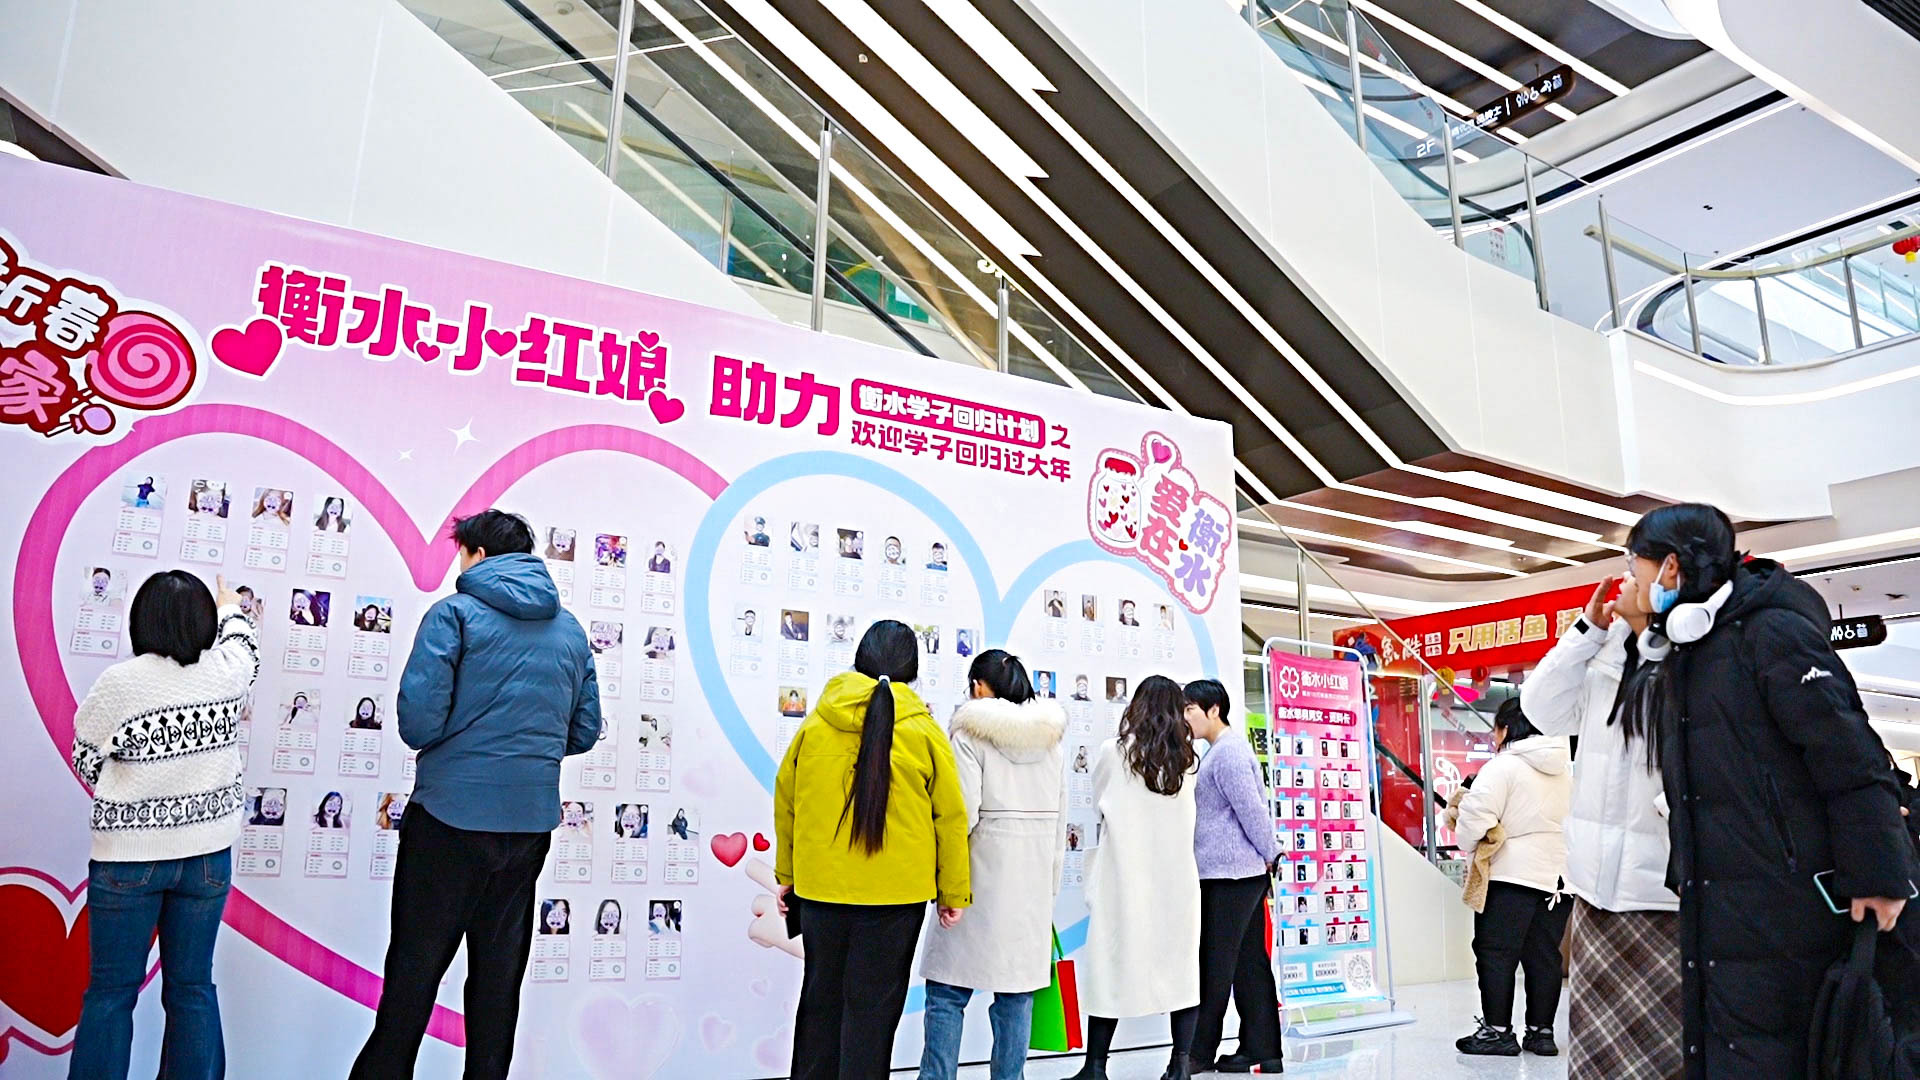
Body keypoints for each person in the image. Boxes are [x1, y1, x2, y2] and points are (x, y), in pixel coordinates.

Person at [1627, 503, 1914, 1078]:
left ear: (1672, 567)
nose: (1632, 582)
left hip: (1789, 896)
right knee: (1733, 1044)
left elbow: (1850, 758)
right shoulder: (1693, 651)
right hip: (1723, 894)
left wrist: (1879, 876)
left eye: (1637, 568)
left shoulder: (1772, 635)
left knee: (1785, 1046)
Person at [351, 509, 601, 1080]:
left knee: (414, 975)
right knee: (498, 982)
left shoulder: (454, 615)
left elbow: (418, 724)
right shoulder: (569, 631)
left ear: (478, 555)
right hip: (528, 827)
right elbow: (584, 731)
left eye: (461, 555)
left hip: (449, 820)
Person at [68, 571, 258, 1080]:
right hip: (207, 858)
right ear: (205, 623)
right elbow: (245, 645)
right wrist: (229, 605)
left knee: (111, 994)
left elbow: (84, 755)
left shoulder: (121, 683)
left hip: (129, 859)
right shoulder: (225, 672)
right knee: (192, 988)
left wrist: (132, 794)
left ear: (142, 620)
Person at [774, 619, 970, 1080]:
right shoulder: (924, 731)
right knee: (873, 1019)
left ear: (858, 660)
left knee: (819, 1007)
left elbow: (788, 801)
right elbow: (950, 817)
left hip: (820, 891)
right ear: (912, 670)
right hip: (895, 899)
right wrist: (953, 892)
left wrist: (788, 876)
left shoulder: (816, 724)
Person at [1521, 568, 1683, 1077]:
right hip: (1595, 890)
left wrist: (1674, 816)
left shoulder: (1692, 664)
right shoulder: (1604, 656)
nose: (1622, 583)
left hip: (1661, 892)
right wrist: (1584, 633)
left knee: (1663, 1055)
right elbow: (1540, 708)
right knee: (1597, 1058)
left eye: (1636, 572)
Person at [919, 649, 1068, 1080]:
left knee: (947, 993)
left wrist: (945, 885)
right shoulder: (1052, 745)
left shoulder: (970, 736)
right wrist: (1048, 892)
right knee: (1017, 996)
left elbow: (961, 816)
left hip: (977, 884)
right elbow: (1059, 829)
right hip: (1030, 890)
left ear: (979, 688)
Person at [1072, 675, 1202, 1080]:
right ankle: (1180, 1065)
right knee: (1181, 973)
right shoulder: (1187, 762)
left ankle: (1095, 1066)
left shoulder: (1114, 753)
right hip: (1177, 881)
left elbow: (1099, 804)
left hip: (1124, 878)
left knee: (1108, 968)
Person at [1449, 698, 1572, 1057]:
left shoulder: (1503, 766)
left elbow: (1475, 817)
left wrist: (1465, 838)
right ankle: (1541, 1033)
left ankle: (1498, 1032)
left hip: (1511, 876)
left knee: (1496, 953)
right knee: (1544, 956)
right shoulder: (1566, 770)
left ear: (1506, 728)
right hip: (1559, 878)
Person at [1182, 679, 1284, 1074]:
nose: (1185, 717)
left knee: (1215, 966)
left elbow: (1252, 811)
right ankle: (1264, 1051)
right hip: (1236, 875)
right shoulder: (1220, 752)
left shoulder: (1229, 753)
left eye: (1190, 709)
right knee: (1248, 965)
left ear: (1213, 710)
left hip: (1231, 877)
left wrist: (1272, 852)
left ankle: (1198, 1053)